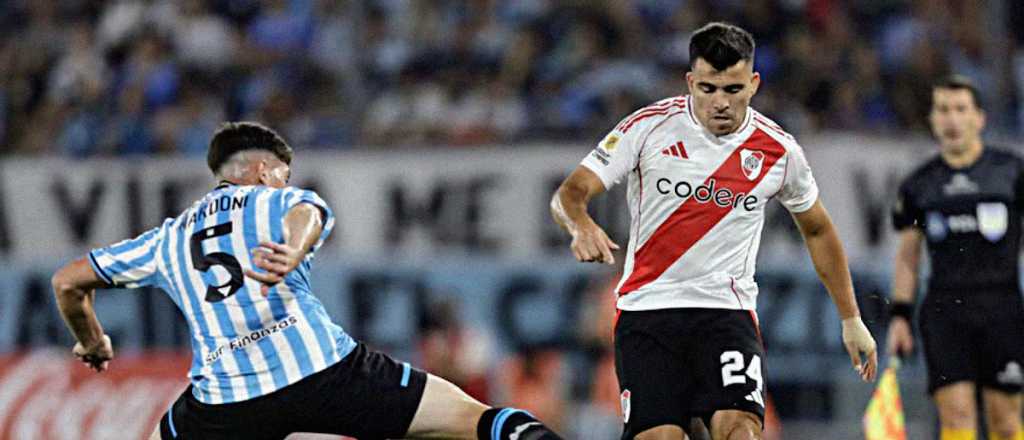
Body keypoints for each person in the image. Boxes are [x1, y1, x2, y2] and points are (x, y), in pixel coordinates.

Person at [51, 122, 562, 440]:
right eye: (281, 172)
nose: (285, 181)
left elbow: (68, 282)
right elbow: (307, 212)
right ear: (258, 168)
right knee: (471, 420)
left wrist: (92, 340)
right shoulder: (275, 201)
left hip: (228, 405)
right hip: (325, 371)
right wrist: (292, 252)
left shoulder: (166, 238)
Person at [550, 22, 878, 440]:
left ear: (754, 83)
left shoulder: (778, 150)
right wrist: (579, 225)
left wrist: (851, 319)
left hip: (726, 313)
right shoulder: (648, 127)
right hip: (648, 314)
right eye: (707, 89)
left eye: (733, 89)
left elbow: (817, 230)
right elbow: (570, 193)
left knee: (740, 431)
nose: (720, 103)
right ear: (690, 82)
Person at [888, 76, 1024, 440]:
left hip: (1003, 308)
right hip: (946, 311)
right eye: (943, 110)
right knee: (957, 417)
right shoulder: (919, 185)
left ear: (979, 118)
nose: (952, 119)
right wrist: (900, 315)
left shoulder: (1012, 173)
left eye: (961, 109)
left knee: (1007, 422)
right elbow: (907, 257)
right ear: (932, 120)